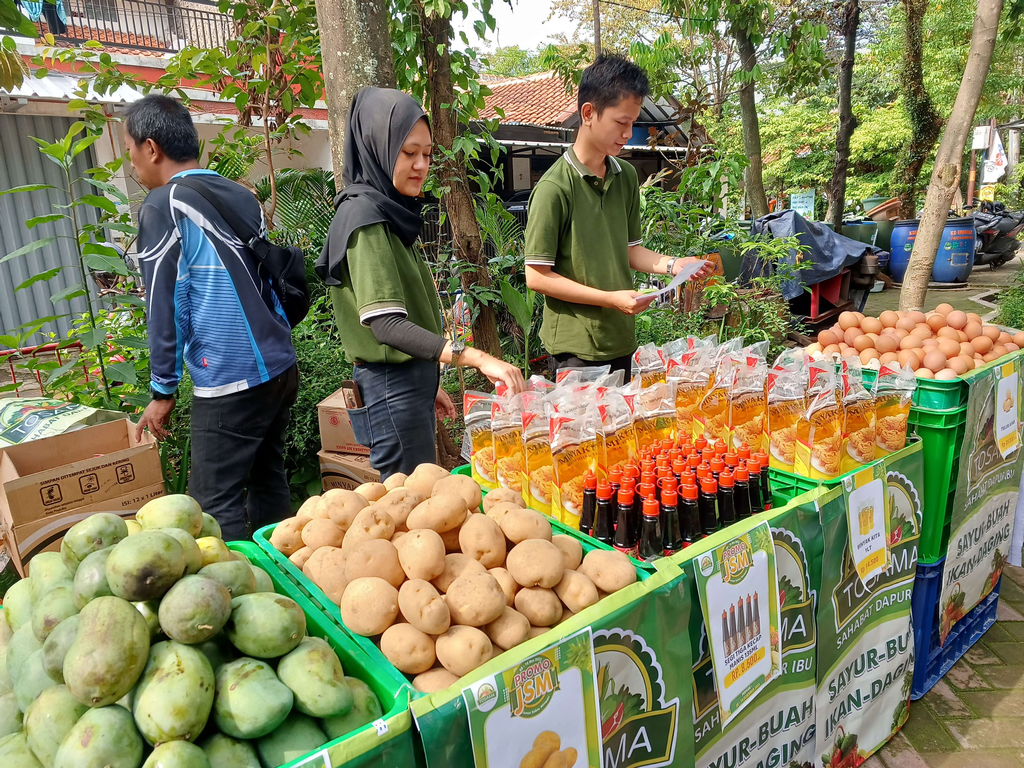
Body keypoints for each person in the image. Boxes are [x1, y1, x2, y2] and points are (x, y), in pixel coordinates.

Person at [317, 87, 525, 481]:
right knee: (409, 506)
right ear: (379, 146)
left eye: (427, 154)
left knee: (421, 498)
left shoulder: (388, 212)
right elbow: (386, 325)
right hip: (389, 387)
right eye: (408, 153)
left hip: (404, 385)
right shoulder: (365, 218)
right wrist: (479, 357)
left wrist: (425, 385)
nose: (421, 165)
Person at [128, 94, 298, 541]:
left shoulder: (164, 204)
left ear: (151, 148)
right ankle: (283, 582)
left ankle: (236, 600)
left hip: (230, 377)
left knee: (212, 503)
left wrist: (162, 391)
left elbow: (161, 305)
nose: (132, 163)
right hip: (280, 365)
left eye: (130, 150)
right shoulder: (237, 193)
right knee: (268, 480)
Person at [524, 54, 713, 379]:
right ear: (588, 114)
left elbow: (629, 250)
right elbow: (537, 277)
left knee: (623, 432)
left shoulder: (625, 175)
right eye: (621, 122)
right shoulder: (555, 187)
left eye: (632, 123)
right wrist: (610, 299)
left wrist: (673, 265)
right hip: (576, 348)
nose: (628, 133)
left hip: (621, 339)